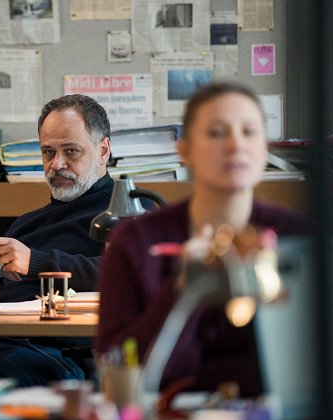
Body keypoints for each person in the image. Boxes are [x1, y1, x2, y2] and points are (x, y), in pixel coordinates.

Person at [95, 82, 311, 397]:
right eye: (217, 133)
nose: (236, 145)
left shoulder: (297, 236)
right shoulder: (137, 241)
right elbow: (118, 373)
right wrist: (183, 289)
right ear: (184, 150)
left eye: (249, 131)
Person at [0, 94, 119, 386]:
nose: (56, 164)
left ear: (103, 150)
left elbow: (120, 274)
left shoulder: (124, 213)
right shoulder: (26, 224)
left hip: (64, 356)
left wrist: (34, 261)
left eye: (71, 151)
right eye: (48, 152)